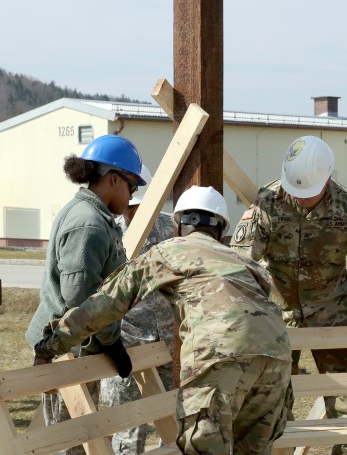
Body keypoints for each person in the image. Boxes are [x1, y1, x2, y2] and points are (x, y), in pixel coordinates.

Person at [33, 185, 293, 455]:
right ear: (223, 231)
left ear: (177, 225)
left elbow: (105, 303)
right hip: (277, 358)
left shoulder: (169, 251)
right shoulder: (243, 261)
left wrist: (51, 346)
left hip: (220, 353)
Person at [230, 135, 347, 455]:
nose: (303, 199)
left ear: (327, 177)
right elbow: (240, 263)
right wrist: (240, 318)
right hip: (278, 319)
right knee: (272, 404)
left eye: (310, 193)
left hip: (332, 315)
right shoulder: (268, 203)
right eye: (298, 192)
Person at [25, 134, 146, 455]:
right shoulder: (88, 225)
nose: (133, 195)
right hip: (68, 349)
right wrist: (111, 341)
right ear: (114, 178)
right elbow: (80, 302)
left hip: (79, 345)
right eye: (132, 186)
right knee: (71, 445)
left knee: (77, 439)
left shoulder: (95, 217)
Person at [100, 164, 175, 455]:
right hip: (126, 344)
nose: (132, 212)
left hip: (168, 341)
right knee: (128, 428)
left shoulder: (171, 228)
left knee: (171, 418)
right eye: (130, 206)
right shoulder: (108, 231)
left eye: (139, 206)